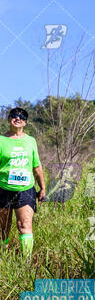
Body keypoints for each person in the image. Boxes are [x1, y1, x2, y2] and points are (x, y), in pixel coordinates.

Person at [0, 107, 46, 257]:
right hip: (3, 188)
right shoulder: (1, 140)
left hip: (25, 189)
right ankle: (4, 253)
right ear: (9, 119)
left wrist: (43, 188)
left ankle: (25, 264)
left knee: (24, 225)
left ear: (25, 122)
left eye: (22, 117)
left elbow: (37, 167)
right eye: (14, 115)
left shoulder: (30, 141)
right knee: (3, 227)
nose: (18, 118)